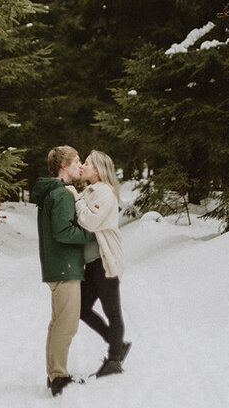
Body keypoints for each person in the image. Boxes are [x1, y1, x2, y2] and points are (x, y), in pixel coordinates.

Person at [30, 145, 96, 397]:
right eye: (76, 161)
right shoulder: (61, 195)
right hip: (64, 267)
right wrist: (92, 234)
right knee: (66, 325)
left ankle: (55, 374)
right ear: (63, 166)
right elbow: (63, 232)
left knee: (58, 323)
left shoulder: (58, 192)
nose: (80, 165)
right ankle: (58, 377)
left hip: (59, 265)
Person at [67, 150, 131, 377]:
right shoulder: (89, 191)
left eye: (86, 163)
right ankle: (117, 344)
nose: (82, 166)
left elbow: (91, 221)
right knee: (81, 309)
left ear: (98, 169)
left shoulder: (105, 192)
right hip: (92, 263)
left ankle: (114, 360)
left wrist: (75, 199)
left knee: (112, 311)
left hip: (105, 262)